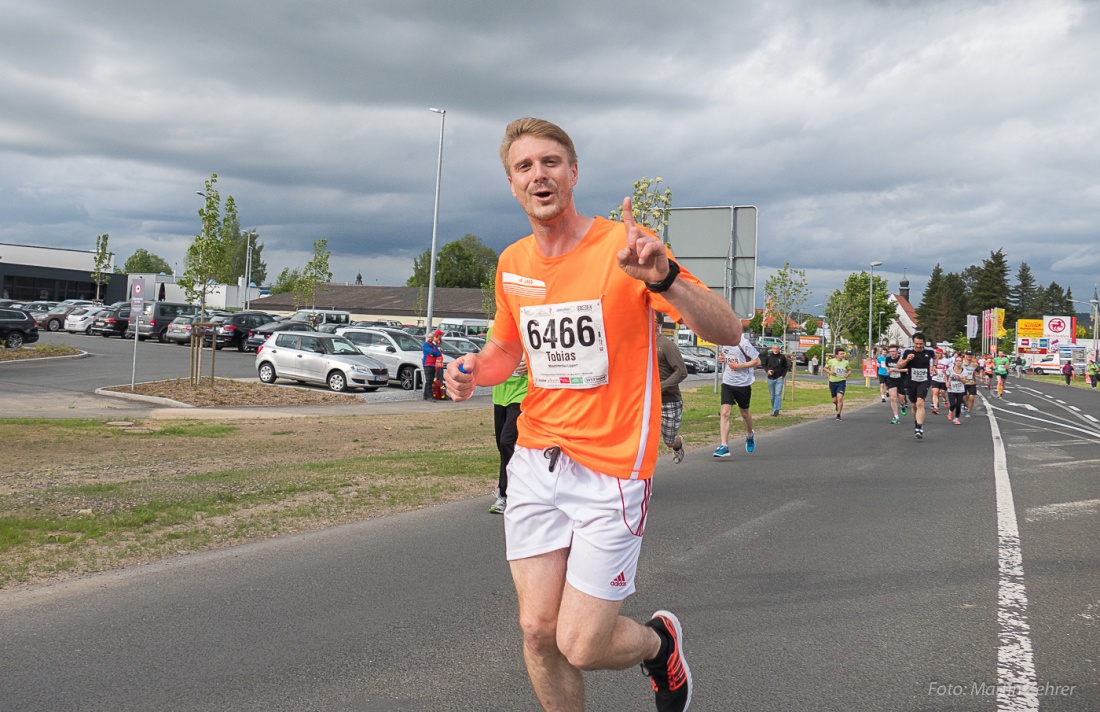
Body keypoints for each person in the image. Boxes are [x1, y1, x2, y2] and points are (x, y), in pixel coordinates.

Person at [445, 117, 742, 712]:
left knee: (579, 643)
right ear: (511, 185)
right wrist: (472, 371)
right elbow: (508, 351)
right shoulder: (512, 263)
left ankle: (660, 646)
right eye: (524, 167)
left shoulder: (624, 248)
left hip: (611, 468)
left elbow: (727, 330)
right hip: (535, 459)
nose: (539, 175)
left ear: (573, 172)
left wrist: (666, 278)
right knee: (536, 630)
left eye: (550, 162)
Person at [491, 346, 528, 514]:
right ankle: (520, 487)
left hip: (523, 394)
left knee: (507, 442)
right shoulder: (496, 331)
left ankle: (506, 494)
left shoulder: (530, 327)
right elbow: (488, 359)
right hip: (500, 394)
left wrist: (530, 363)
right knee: (502, 446)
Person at [715, 338, 761, 456]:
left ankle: (750, 435)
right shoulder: (724, 342)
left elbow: (757, 361)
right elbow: (725, 355)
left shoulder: (744, 343)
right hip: (727, 382)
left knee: (744, 413)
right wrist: (722, 359)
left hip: (743, 384)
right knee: (725, 412)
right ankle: (724, 446)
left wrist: (739, 366)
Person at [655, 316, 688, 463]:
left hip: (669, 400)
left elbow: (682, 371)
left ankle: (678, 443)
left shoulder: (666, 345)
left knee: (669, 440)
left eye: (651, 320)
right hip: (647, 401)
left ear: (658, 325)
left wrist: (660, 386)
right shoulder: (640, 343)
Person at [898, 332, 938, 439]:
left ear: (924, 343)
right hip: (911, 381)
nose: (919, 346)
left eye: (921, 344)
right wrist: (907, 360)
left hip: (924, 380)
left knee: (920, 403)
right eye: (916, 343)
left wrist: (934, 366)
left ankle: (919, 428)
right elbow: (899, 365)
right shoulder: (907, 351)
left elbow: (936, 357)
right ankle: (916, 423)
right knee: (914, 405)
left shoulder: (929, 351)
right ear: (913, 343)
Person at [763, 342, 789, 417]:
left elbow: (786, 367)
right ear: (772, 349)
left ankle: (775, 410)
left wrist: (783, 375)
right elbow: (764, 364)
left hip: (779, 378)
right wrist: (767, 371)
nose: (776, 350)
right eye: (774, 348)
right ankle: (774, 408)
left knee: (777, 394)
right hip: (771, 378)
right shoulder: (769, 356)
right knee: (772, 396)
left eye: (777, 348)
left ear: (779, 349)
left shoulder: (782, 357)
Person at [825, 347, 850, 420]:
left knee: (840, 398)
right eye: (841, 354)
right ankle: (837, 405)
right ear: (836, 355)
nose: (842, 355)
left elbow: (849, 370)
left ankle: (838, 414)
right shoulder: (831, 361)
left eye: (843, 354)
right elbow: (825, 368)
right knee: (834, 400)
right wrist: (830, 372)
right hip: (833, 382)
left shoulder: (845, 362)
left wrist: (847, 374)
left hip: (841, 382)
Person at [883, 344, 906, 424]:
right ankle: (896, 417)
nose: (892, 353)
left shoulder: (901, 359)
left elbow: (907, 370)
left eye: (894, 351)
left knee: (901, 399)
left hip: (901, 380)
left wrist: (898, 370)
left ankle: (902, 406)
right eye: (891, 351)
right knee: (892, 397)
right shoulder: (888, 359)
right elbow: (886, 366)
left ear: (897, 352)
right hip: (891, 380)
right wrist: (888, 370)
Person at [422, 330, 443, 401]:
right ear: (427, 337)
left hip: (433, 365)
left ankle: (425, 395)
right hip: (427, 364)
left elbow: (438, 353)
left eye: (431, 337)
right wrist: (433, 353)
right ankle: (430, 396)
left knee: (430, 381)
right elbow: (430, 351)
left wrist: (433, 353)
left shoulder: (434, 346)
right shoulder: (425, 345)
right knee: (429, 380)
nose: (430, 338)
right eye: (429, 337)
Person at [945, 359, 967, 425]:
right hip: (951, 389)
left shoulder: (964, 371)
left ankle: (957, 418)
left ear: (962, 363)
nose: (958, 362)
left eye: (960, 361)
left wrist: (960, 378)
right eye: (957, 361)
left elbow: (965, 381)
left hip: (960, 390)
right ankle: (950, 411)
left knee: (958, 405)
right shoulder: (950, 369)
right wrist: (947, 382)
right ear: (955, 362)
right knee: (952, 404)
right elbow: (946, 376)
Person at [929, 347, 946, 414]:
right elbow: (930, 368)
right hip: (935, 378)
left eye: (939, 353)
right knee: (935, 392)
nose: (938, 354)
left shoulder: (946, 360)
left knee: (942, 392)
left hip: (943, 379)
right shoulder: (932, 360)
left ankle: (944, 399)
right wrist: (931, 371)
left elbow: (950, 369)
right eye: (937, 353)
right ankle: (935, 407)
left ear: (942, 353)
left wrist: (946, 371)